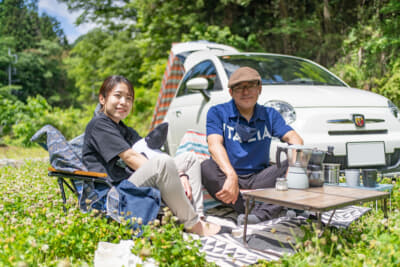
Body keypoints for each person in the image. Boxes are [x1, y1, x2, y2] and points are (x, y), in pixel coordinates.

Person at [82, 75, 222, 236]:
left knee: (189, 159)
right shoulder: (99, 124)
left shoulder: (124, 129)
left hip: (131, 180)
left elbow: (148, 153)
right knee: (162, 163)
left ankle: (196, 216)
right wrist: (175, 173)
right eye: (117, 96)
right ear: (102, 98)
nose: (123, 102)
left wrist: (180, 172)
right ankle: (193, 225)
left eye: (129, 98)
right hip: (115, 191)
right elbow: (130, 158)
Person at [201, 67, 303, 225]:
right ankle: (273, 207)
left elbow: (295, 139)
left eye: (250, 86)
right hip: (228, 178)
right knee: (206, 167)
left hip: (259, 178)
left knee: (304, 161)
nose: (245, 92)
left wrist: (294, 170)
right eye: (239, 88)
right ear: (231, 92)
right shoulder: (217, 112)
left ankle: (259, 213)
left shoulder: (270, 114)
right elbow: (214, 145)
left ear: (259, 89)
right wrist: (231, 175)